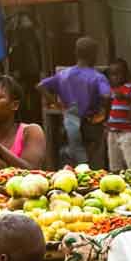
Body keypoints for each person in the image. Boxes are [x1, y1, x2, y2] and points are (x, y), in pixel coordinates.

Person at [39, 37, 110, 167]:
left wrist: (57, 104)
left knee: (70, 160)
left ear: (76, 53)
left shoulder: (64, 74)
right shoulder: (97, 77)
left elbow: (40, 86)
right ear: (94, 54)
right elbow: (106, 95)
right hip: (91, 124)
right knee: (92, 163)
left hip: (69, 123)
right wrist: (103, 113)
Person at [106, 58, 131, 171]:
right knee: (114, 164)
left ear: (126, 74)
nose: (115, 77)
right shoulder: (111, 90)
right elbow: (109, 108)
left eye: (118, 73)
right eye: (112, 74)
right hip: (112, 132)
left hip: (127, 132)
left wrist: (126, 97)